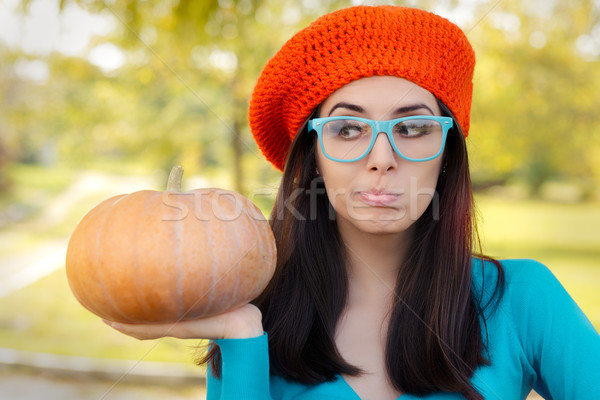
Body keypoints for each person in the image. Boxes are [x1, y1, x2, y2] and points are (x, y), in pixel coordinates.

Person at [104, 5, 600, 400]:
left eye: (412, 127)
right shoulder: (259, 319)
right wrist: (240, 331)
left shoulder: (524, 299)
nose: (382, 158)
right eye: (347, 128)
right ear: (312, 157)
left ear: (448, 152)